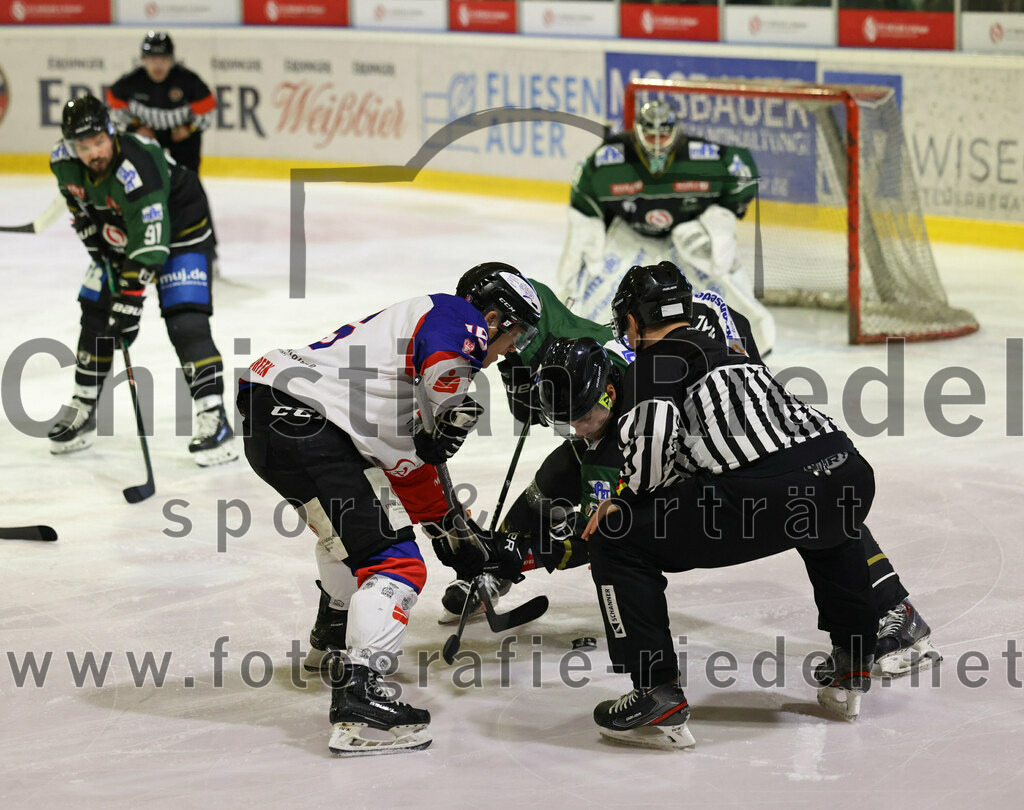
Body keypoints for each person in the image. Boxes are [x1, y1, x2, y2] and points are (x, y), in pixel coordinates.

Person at [570, 261, 936, 748]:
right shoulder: (736, 353)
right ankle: (853, 663)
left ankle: (654, 692)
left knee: (616, 541)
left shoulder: (652, 364)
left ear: (633, 323)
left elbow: (653, 455)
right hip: (845, 467)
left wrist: (621, 502)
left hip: (767, 496)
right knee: (829, 518)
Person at [237, 262, 542, 757]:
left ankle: (333, 633)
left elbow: (412, 478)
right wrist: (449, 408)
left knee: (351, 536)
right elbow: (447, 360)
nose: (512, 349)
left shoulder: (399, 378)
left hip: (273, 416)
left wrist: (461, 542)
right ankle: (360, 696)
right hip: (306, 422)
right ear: (492, 317)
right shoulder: (453, 314)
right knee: (396, 563)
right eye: (517, 334)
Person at [47, 94, 235, 467]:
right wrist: (89, 230)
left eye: (98, 141)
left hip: (182, 229)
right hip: (125, 228)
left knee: (186, 319)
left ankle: (215, 417)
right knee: (96, 312)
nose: (93, 152)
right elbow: (77, 201)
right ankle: (83, 408)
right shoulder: (63, 163)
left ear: (111, 131)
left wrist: (129, 302)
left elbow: (151, 244)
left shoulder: (138, 167)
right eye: (83, 146)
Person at [557, 98, 775, 354]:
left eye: (664, 134)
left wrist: (722, 213)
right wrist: (589, 223)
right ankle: (592, 347)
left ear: (676, 131)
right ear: (637, 132)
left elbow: (742, 170)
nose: (657, 142)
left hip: (685, 233)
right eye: (650, 135)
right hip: (631, 235)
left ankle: (751, 340)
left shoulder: (705, 156)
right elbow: (585, 191)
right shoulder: (607, 161)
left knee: (719, 273)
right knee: (600, 288)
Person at [106, 32, 216, 174]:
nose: (158, 65)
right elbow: (114, 110)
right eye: (152, 59)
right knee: (142, 176)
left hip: (182, 135)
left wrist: (189, 128)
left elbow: (207, 108)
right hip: (146, 134)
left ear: (172, 60)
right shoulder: (129, 83)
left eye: (163, 59)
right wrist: (136, 128)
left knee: (188, 178)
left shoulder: (189, 81)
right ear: (143, 60)